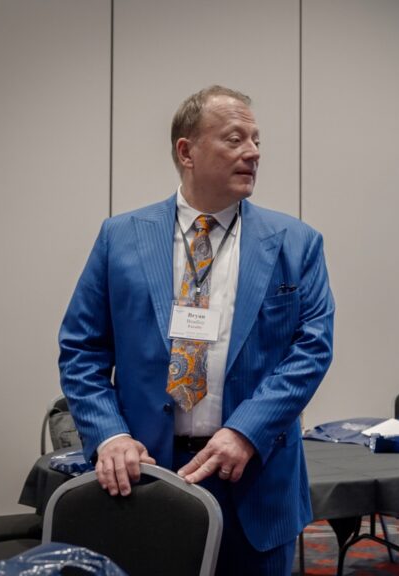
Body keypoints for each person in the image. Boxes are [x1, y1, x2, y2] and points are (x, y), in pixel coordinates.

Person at [59, 85, 334, 575]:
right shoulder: (120, 237)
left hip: (254, 478)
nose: (253, 152)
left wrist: (246, 432)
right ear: (187, 151)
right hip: (146, 477)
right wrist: (109, 437)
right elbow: (82, 350)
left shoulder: (296, 241)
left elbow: (311, 349)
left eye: (256, 139)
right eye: (234, 139)